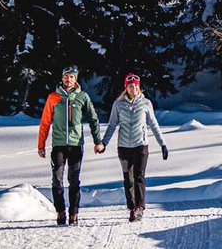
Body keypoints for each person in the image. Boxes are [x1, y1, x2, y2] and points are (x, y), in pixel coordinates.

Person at [36, 65, 102, 226]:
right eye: (66, 76)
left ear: (76, 79)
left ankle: (74, 212)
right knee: (57, 180)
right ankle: (60, 211)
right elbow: (45, 122)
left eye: (72, 76)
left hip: (76, 144)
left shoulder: (82, 97)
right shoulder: (53, 97)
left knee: (74, 180)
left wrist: (98, 141)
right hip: (58, 145)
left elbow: (93, 119)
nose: (68, 79)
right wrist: (41, 145)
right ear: (62, 78)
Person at [99, 72, 169, 222]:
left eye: (136, 86)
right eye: (131, 86)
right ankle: (131, 208)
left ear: (139, 87)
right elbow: (112, 125)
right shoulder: (118, 104)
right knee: (128, 179)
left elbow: (154, 124)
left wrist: (162, 143)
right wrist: (104, 143)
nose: (134, 88)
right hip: (124, 147)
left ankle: (139, 208)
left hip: (140, 146)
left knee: (139, 177)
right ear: (126, 88)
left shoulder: (146, 103)